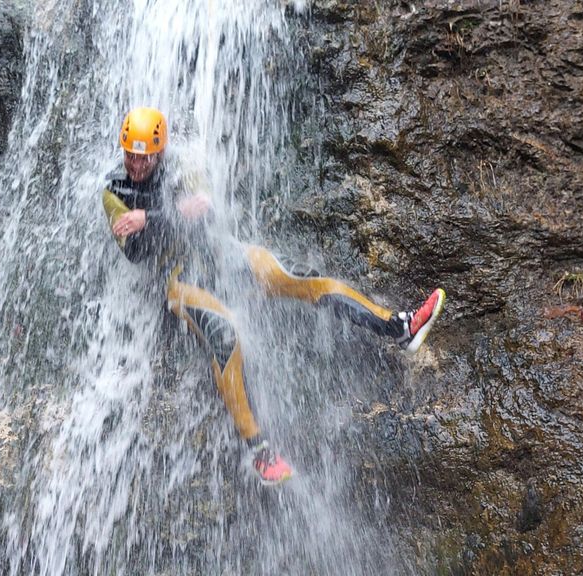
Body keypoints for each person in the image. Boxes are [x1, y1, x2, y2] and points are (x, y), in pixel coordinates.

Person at [101, 107, 445, 485]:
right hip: (180, 279)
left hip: (220, 253)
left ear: (160, 152)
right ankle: (258, 449)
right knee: (225, 331)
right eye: (130, 155)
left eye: (143, 156)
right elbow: (135, 252)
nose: (135, 163)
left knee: (299, 277)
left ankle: (398, 327)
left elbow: (208, 217)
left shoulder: (183, 166)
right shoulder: (114, 190)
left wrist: (150, 219)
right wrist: (175, 215)